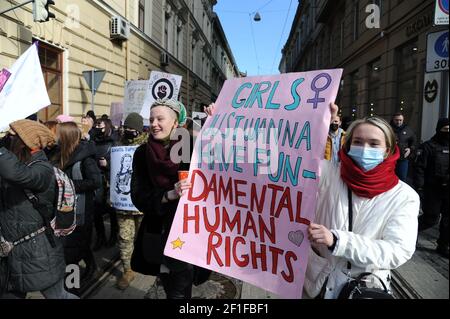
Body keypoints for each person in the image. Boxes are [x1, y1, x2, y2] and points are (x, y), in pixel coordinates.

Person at [304, 104, 420, 299]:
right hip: (318, 283)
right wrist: (320, 124)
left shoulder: (404, 196)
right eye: (357, 142)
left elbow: (398, 250)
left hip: (364, 287)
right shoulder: (330, 174)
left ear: (388, 149)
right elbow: (299, 158)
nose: (364, 148)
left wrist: (339, 241)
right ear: (348, 145)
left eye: (374, 144)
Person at [130, 98, 210, 299]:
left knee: (180, 290)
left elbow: (227, 158)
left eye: (160, 119)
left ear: (176, 123)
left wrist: (217, 120)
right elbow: (138, 196)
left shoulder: (192, 148)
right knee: (169, 286)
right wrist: (168, 195)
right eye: (151, 119)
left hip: (189, 233)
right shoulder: (142, 153)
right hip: (159, 234)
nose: (154, 124)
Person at [0, 120, 78, 299]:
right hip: (11, 252)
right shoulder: (17, 162)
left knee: (59, 296)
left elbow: (15, 173)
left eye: (11, 136)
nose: (5, 139)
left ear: (26, 142)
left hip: (38, 252)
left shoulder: (42, 168)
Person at [52, 122, 102, 285]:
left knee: (76, 244)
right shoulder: (57, 154)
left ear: (66, 137)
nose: (56, 137)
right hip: (63, 207)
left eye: (59, 134)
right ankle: (85, 269)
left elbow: (95, 181)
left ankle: (74, 283)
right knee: (72, 244)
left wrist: (69, 185)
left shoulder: (85, 157)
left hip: (81, 208)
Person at [114, 113, 148, 290]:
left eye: (132, 128)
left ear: (139, 129)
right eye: (126, 128)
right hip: (123, 204)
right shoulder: (118, 145)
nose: (128, 131)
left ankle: (144, 263)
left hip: (142, 203)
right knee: (125, 237)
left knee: (143, 237)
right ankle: (128, 270)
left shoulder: (148, 145)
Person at [414, 118, 449, 258]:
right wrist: (420, 187)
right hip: (432, 189)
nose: (448, 132)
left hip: (448, 190)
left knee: (448, 220)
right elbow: (419, 168)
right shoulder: (428, 146)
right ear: (438, 129)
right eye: (445, 130)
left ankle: (443, 245)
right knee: (431, 218)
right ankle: (410, 232)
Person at [92, 118, 119, 250]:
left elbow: (121, 162)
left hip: (109, 180)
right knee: (97, 210)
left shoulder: (114, 142)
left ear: (107, 126)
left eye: (100, 124)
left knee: (111, 210)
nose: (97, 127)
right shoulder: (93, 141)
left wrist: (108, 165)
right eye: (96, 124)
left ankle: (113, 236)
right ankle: (100, 237)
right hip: (97, 179)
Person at [390, 113, 417, 182]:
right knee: (389, 178)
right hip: (390, 158)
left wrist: (410, 149)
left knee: (402, 178)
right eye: (396, 120)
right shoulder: (388, 129)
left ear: (403, 120)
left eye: (400, 120)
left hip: (402, 158)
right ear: (393, 120)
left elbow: (414, 141)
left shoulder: (407, 129)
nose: (398, 122)